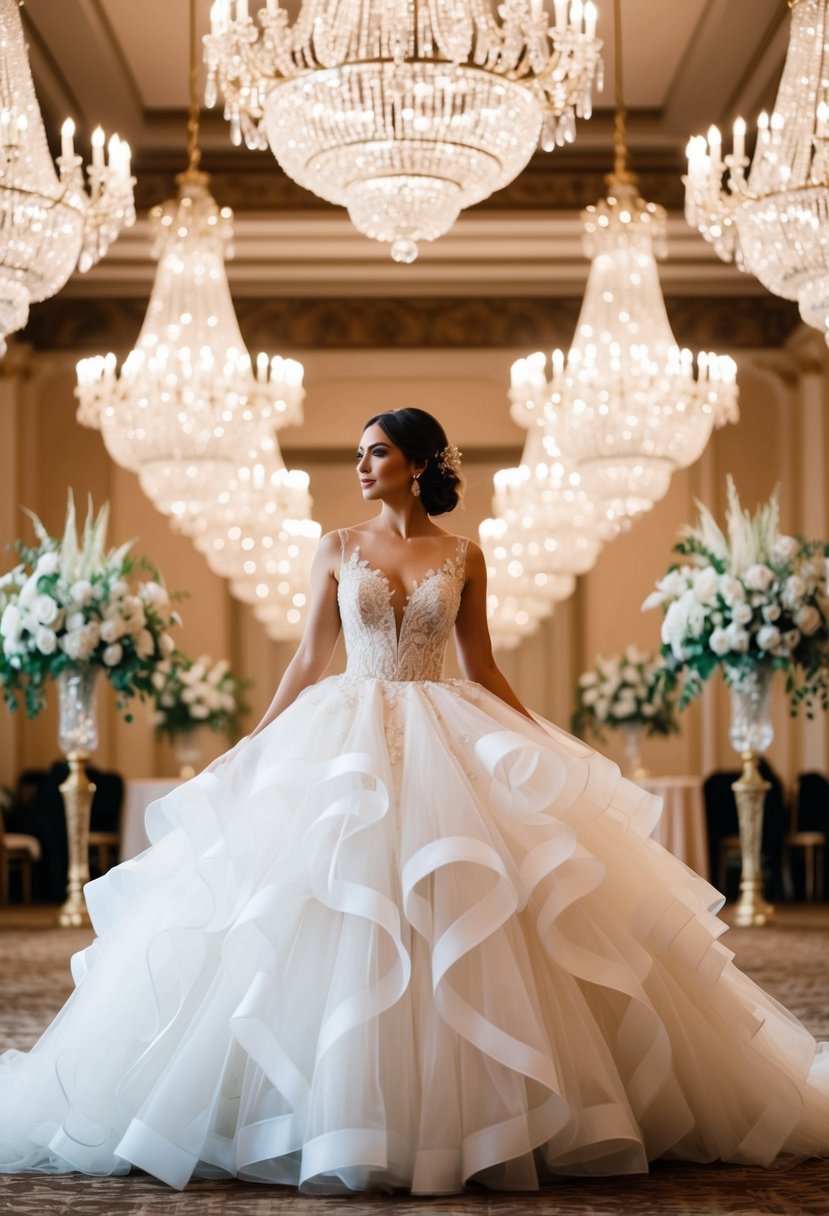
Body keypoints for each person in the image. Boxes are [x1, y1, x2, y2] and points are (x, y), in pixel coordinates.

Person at [1, 406, 828, 1194]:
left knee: (465, 908)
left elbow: (481, 666)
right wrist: (253, 744)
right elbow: (305, 661)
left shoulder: (465, 553)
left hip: (446, 734)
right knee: (324, 903)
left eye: (377, 453)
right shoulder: (333, 547)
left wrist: (536, 739)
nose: (361, 466)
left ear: (419, 465)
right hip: (343, 734)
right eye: (360, 452)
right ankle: (315, 1106)